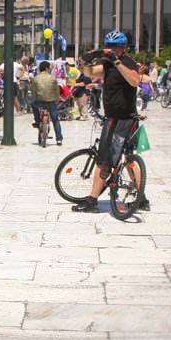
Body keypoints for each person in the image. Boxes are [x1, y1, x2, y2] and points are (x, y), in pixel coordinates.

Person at [73, 30, 149, 213]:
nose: (111, 49)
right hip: (114, 117)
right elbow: (90, 73)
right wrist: (85, 60)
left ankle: (92, 201)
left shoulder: (127, 63)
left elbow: (134, 81)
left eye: (115, 47)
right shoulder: (107, 66)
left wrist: (116, 61)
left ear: (123, 48)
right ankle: (142, 199)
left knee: (106, 159)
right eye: (109, 46)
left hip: (122, 119)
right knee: (127, 158)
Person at [30, 61, 63, 145]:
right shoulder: (52, 78)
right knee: (55, 120)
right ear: (47, 68)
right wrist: (56, 100)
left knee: (33, 105)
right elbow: (57, 91)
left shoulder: (35, 78)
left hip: (39, 101)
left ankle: (37, 121)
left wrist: (35, 99)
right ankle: (59, 139)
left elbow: (33, 93)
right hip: (51, 102)